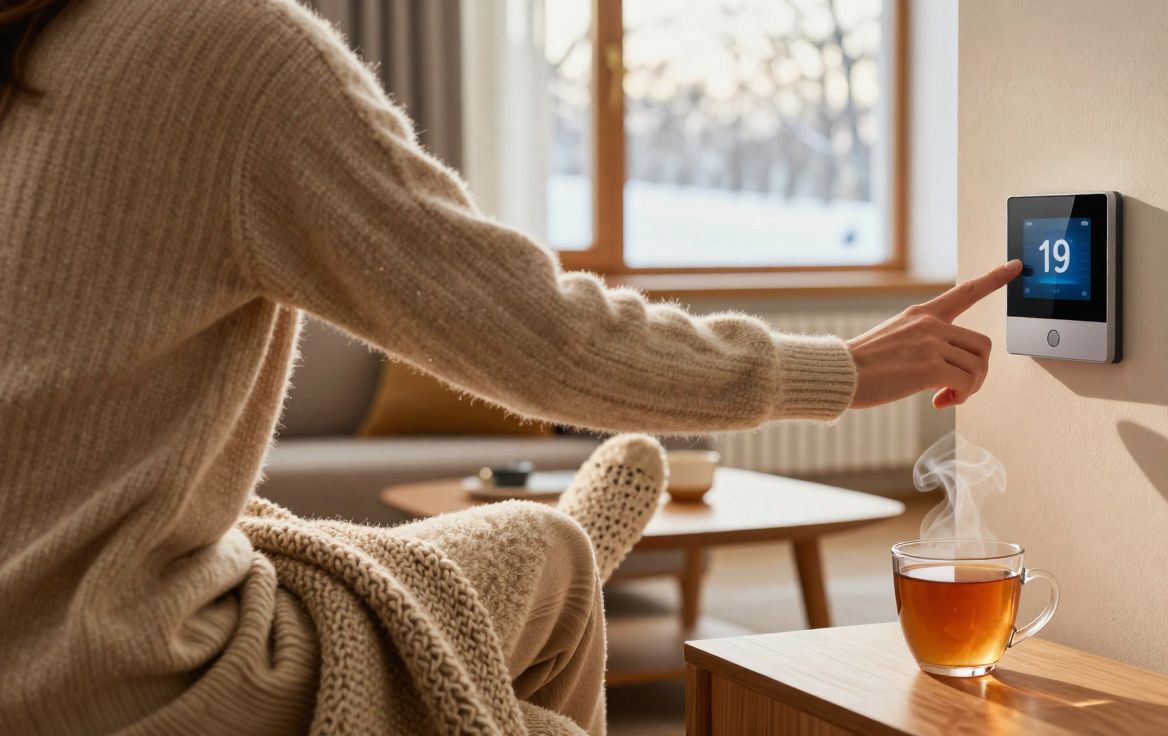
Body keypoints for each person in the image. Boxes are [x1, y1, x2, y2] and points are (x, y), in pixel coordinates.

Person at [0, 0, 1020, 733]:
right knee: (555, 559)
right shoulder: (226, 51)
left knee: (504, 556)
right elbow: (537, 333)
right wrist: (838, 367)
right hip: (128, 671)